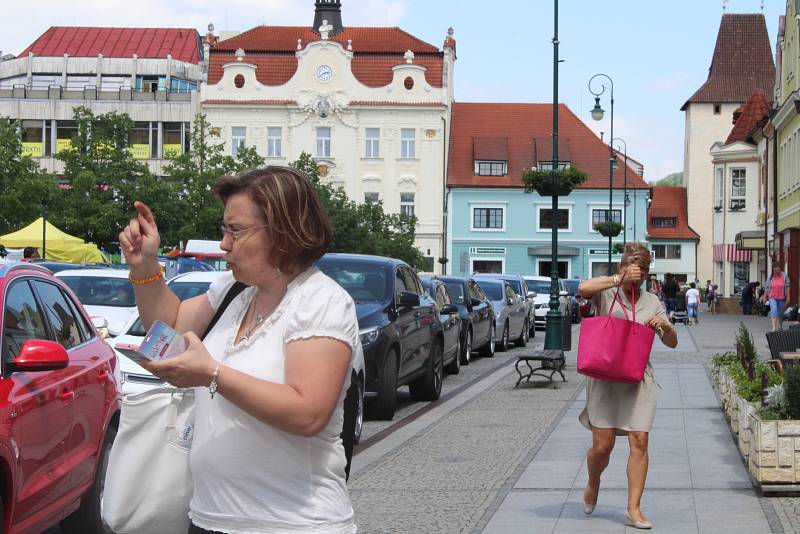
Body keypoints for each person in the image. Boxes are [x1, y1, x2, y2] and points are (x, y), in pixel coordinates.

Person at [119, 166, 359, 534]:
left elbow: (308, 412)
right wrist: (145, 267)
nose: (224, 245)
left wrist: (212, 374)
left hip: (291, 525)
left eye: (236, 231)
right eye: (224, 229)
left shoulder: (320, 301)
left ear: (283, 232)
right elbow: (170, 326)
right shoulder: (235, 291)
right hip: (209, 517)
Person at [577, 243, 678, 530]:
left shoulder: (651, 301)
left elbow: (672, 343)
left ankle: (633, 508)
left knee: (640, 441)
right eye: (632, 271)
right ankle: (593, 481)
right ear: (623, 267)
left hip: (638, 379)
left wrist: (666, 328)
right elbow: (583, 288)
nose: (636, 279)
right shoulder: (606, 291)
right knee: (602, 447)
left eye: (641, 274)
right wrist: (617, 279)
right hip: (605, 378)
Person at [766, 263, 791, 331]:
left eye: (778, 270)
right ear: (773, 270)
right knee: (774, 310)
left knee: (781, 313)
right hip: (772, 297)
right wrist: (765, 296)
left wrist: (788, 296)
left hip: (782, 297)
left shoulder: (784, 276)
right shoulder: (771, 277)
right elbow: (767, 287)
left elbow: (788, 285)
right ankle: (774, 327)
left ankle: (780, 326)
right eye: (775, 270)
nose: (777, 272)